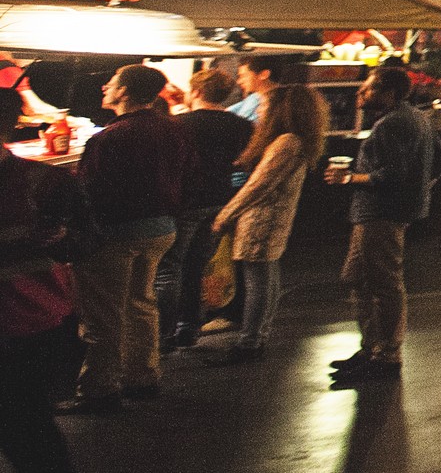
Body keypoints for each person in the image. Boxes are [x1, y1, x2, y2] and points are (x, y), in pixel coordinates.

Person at [64, 64, 185, 413]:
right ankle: (142, 377)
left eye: (112, 83)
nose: (105, 86)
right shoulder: (172, 130)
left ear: (126, 93)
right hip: (161, 229)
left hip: (116, 233)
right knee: (140, 303)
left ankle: (99, 391)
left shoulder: (109, 138)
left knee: (103, 316)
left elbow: (90, 191)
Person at [326, 66, 441, 386]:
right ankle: (372, 348)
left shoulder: (392, 124)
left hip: (380, 213)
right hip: (386, 212)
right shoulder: (417, 117)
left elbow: (389, 175)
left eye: (366, 89)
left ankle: (387, 354)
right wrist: (419, 191)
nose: (359, 94)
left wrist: (349, 177)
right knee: (358, 277)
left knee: (382, 282)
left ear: (388, 93)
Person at [0, 86, 95, 471]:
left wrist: (62, 240)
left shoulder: (46, 183)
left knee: (26, 429)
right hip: (35, 323)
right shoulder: (46, 181)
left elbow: (88, 241)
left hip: (28, 332)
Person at [200, 83, 326, 366]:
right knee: (265, 277)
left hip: (262, 220)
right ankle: (256, 336)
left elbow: (258, 186)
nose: (259, 109)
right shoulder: (294, 141)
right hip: (271, 218)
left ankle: (250, 341)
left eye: (265, 105)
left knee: (258, 280)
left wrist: (226, 215)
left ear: (282, 110)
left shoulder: (286, 143)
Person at [161, 67, 252, 351]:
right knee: (196, 265)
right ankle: (189, 327)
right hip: (221, 200)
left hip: (186, 201)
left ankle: (164, 335)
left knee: (170, 268)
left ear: (197, 91)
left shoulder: (178, 124)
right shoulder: (241, 125)